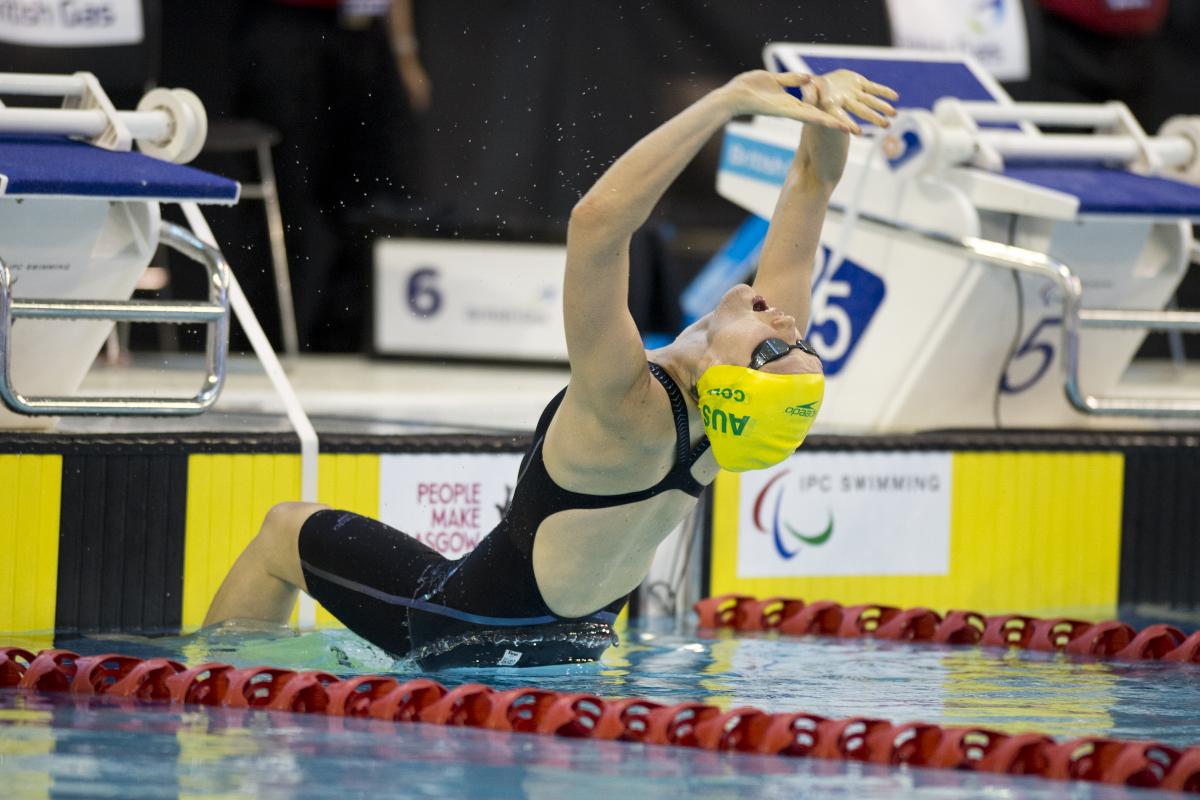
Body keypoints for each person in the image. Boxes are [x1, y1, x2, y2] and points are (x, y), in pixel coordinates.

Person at [204, 69, 898, 668]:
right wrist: (823, 108)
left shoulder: (629, 404)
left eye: (773, 345)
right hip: (579, 647)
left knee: (283, 528)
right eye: (795, 336)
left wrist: (725, 102)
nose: (783, 322)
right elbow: (811, 184)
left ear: (724, 374)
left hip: (460, 631)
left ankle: (216, 713)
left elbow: (596, 223)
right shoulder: (723, 426)